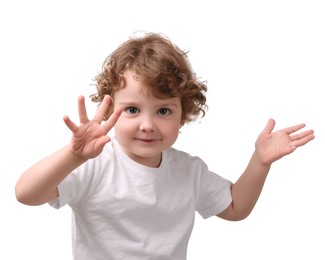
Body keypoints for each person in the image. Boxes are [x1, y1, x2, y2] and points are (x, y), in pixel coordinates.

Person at [15, 32, 315, 260]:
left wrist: (260, 161)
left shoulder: (189, 170)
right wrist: (72, 155)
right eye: (132, 110)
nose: (148, 124)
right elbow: (26, 194)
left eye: (163, 111)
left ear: (183, 116)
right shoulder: (93, 165)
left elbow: (236, 207)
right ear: (108, 112)